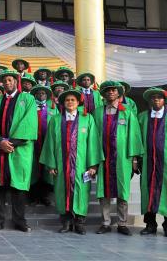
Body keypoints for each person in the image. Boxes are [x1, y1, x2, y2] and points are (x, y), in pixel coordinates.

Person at [40, 89, 103, 235]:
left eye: (73, 100)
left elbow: (92, 142)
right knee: (62, 191)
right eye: (67, 100)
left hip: (80, 165)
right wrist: (51, 164)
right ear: (63, 103)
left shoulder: (87, 119)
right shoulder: (55, 120)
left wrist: (93, 165)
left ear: (78, 102)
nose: (70, 102)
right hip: (62, 165)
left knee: (81, 191)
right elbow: (49, 143)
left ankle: (79, 222)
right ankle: (66, 222)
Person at [0, 70, 37, 232]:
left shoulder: (27, 99)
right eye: (4, 81)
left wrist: (11, 143)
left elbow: (29, 123)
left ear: (16, 81)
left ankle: (19, 220)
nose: (7, 83)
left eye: (10, 80)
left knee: (18, 187)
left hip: (19, 149)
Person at [92, 81, 143, 236]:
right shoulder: (98, 112)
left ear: (119, 93)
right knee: (104, 192)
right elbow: (93, 136)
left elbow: (134, 135)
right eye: (107, 91)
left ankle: (122, 223)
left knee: (122, 191)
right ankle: (106, 222)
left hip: (122, 158)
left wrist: (134, 158)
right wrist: (93, 158)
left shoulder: (127, 111)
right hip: (103, 157)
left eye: (114, 90)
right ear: (104, 94)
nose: (111, 93)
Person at [138, 87, 167, 236]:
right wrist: (136, 158)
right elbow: (137, 140)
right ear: (150, 100)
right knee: (148, 191)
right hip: (147, 162)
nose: (156, 99)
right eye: (153, 97)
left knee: (166, 192)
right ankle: (150, 224)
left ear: (164, 100)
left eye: (159, 97)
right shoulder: (142, 117)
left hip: (165, 163)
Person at [30, 85, 58, 206]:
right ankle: (33, 196)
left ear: (47, 96)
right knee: (34, 169)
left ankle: (45, 196)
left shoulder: (53, 108)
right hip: (33, 143)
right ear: (35, 95)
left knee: (46, 169)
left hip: (47, 143)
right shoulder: (30, 107)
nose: (41, 95)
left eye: (43, 94)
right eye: (39, 93)